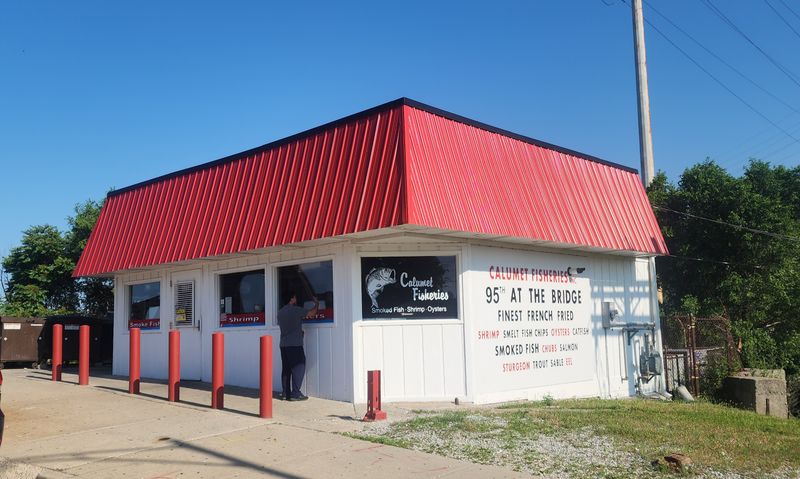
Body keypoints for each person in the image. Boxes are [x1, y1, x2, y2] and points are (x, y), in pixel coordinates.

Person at [277, 291, 318, 401]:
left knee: (286, 369)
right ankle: (296, 393)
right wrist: (316, 304)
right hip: (294, 344)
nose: (296, 299)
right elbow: (311, 314)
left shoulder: (280, 312)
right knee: (299, 367)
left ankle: (285, 393)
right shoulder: (296, 310)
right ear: (291, 299)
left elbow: (288, 326)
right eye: (295, 297)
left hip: (283, 344)